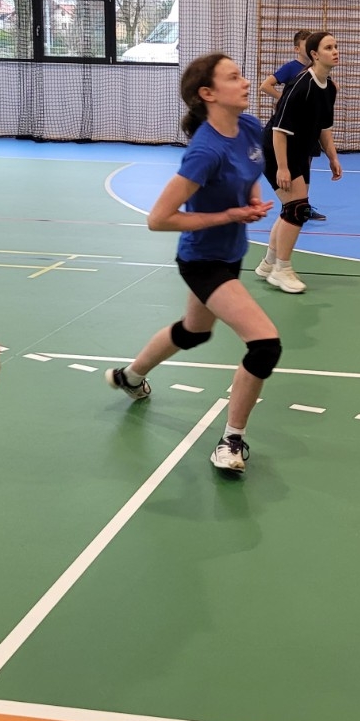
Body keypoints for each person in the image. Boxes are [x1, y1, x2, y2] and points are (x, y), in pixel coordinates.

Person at [106, 53, 281, 473]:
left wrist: (251, 199)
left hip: (231, 252)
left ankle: (129, 377)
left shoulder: (248, 126)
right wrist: (227, 215)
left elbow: (250, 172)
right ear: (208, 93)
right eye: (233, 77)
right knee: (265, 344)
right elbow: (158, 219)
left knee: (194, 332)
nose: (246, 82)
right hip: (203, 259)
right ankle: (231, 441)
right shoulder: (204, 151)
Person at [255, 31, 343, 292]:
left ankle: (269, 264)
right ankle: (282, 269)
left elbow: (324, 128)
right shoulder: (301, 85)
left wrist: (333, 157)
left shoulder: (330, 88)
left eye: (336, 46)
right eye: (328, 47)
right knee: (298, 209)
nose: (335, 51)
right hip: (277, 149)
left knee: (292, 208)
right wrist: (282, 167)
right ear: (314, 54)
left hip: (301, 150)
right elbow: (278, 130)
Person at [258, 29, 327, 221]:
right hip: (290, 129)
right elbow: (265, 85)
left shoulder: (317, 69)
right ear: (297, 49)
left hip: (308, 130)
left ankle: (303, 204)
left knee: (305, 166)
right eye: (307, 44)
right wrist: (284, 99)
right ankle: (290, 204)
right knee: (290, 166)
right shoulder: (291, 68)